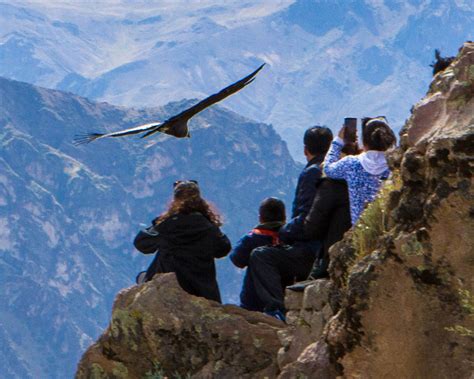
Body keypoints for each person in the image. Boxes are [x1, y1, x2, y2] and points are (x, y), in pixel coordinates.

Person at [248, 126, 333, 320]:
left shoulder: (312, 172)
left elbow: (306, 216)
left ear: (305, 149)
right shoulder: (337, 168)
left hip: (310, 250)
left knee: (261, 256)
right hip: (326, 246)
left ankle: (276, 310)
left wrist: (284, 232)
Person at [134, 180, 231, 303]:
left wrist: (158, 223)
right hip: (203, 291)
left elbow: (141, 243)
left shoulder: (167, 225)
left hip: (169, 288)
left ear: (175, 200)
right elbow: (224, 248)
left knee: (142, 277)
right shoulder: (208, 227)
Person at [324, 117, 396, 225]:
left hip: (360, 231)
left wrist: (338, 141)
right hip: (388, 229)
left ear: (364, 142)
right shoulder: (395, 165)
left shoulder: (351, 164)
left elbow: (328, 168)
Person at [230, 197, 286, 312]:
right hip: (285, 294)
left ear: (260, 218)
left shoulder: (253, 238)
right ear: (284, 217)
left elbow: (236, 258)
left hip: (253, 300)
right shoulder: (289, 236)